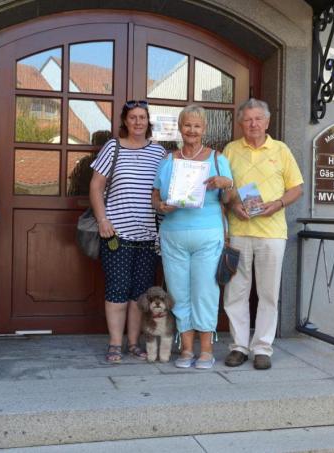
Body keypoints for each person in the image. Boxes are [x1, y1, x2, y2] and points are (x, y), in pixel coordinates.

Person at [222, 98, 304, 370]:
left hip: (272, 233)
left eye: (258, 119)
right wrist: (233, 205)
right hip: (238, 231)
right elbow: (224, 190)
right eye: (248, 119)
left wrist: (278, 204)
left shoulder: (281, 150)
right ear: (240, 123)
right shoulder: (231, 150)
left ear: (267, 122)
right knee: (236, 292)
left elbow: (296, 188)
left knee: (268, 294)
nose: (253, 124)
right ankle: (238, 346)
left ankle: (262, 348)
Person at [152, 105, 234, 370]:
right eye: (187, 125)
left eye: (197, 126)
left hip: (208, 235)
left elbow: (229, 199)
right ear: (180, 127)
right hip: (173, 234)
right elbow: (155, 195)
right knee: (178, 293)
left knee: (205, 291)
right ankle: (186, 349)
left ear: (204, 129)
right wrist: (160, 206)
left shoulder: (217, 159)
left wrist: (226, 183)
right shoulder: (167, 160)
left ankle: (206, 351)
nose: (191, 130)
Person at [90, 100, 166, 363]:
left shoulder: (159, 152)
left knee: (139, 294)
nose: (138, 122)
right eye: (132, 117)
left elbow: (164, 189)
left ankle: (133, 343)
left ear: (148, 121)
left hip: (148, 236)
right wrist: (102, 220)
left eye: (142, 117)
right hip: (116, 234)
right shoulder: (113, 147)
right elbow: (96, 186)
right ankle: (115, 343)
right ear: (125, 121)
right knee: (117, 290)